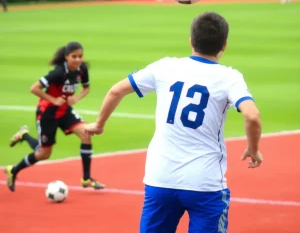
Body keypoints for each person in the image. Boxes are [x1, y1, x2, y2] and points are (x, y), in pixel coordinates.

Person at [83, 12, 263, 233]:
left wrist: (99, 124)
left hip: (160, 179)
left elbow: (116, 90)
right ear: (224, 45)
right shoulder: (229, 77)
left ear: (191, 41)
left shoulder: (164, 67)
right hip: (204, 183)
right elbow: (252, 116)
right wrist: (253, 149)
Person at [5, 41, 105, 192]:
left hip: (65, 111)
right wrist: (53, 100)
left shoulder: (82, 69)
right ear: (66, 57)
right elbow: (34, 88)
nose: (78, 60)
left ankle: (86, 179)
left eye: (80, 56)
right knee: (43, 153)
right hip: (47, 113)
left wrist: (76, 98)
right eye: (74, 56)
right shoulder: (58, 73)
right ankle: (15, 166)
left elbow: (86, 88)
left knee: (86, 135)